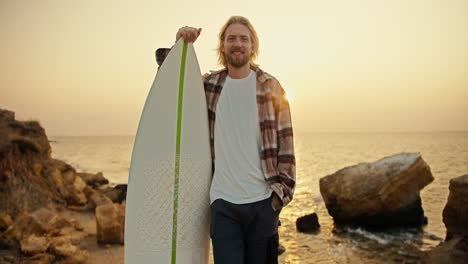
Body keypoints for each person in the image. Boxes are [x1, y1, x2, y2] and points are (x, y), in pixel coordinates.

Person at [156, 16, 295, 264]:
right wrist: (180, 45)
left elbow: (286, 144)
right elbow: (173, 85)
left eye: (244, 39)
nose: (237, 44)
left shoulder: (270, 86)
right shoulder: (209, 86)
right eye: (231, 38)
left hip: (263, 203)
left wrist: (280, 197)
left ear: (253, 46)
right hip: (223, 205)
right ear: (222, 46)